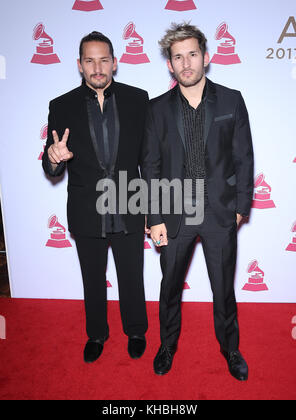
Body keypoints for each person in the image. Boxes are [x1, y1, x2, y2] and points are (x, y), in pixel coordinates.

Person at [141, 23, 254, 380]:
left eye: (192, 54)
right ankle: (167, 345)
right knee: (170, 286)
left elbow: (244, 158)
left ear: (206, 57)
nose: (186, 63)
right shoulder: (156, 109)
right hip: (175, 214)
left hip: (220, 212)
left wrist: (240, 207)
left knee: (223, 288)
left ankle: (230, 348)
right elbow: (151, 166)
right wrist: (154, 216)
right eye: (178, 57)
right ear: (169, 65)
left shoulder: (232, 100)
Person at [42, 31, 148, 363]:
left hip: (130, 204)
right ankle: (97, 334)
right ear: (79, 65)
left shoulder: (138, 99)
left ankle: (136, 330)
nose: (97, 67)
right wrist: (54, 158)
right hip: (87, 208)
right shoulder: (61, 105)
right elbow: (52, 162)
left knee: (132, 274)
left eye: (103, 60)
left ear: (115, 63)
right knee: (92, 276)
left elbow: (150, 158)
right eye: (90, 60)